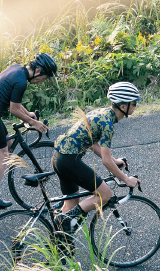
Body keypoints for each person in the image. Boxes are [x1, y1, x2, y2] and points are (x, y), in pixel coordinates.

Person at [51, 82, 141, 234]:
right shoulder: (108, 125)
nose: (135, 107)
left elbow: (93, 145)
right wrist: (126, 179)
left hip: (59, 158)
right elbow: (105, 161)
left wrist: (115, 161)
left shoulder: (101, 113)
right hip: (69, 161)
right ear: (123, 106)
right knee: (105, 194)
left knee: (71, 205)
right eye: (134, 104)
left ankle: (60, 245)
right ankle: (64, 220)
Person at [0, 53, 57, 208]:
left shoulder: (16, 69)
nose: (41, 81)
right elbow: (13, 110)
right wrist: (33, 122)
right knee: (2, 156)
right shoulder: (21, 82)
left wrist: (28, 115)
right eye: (43, 78)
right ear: (38, 70)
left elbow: (15, 103)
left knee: (8, 142)